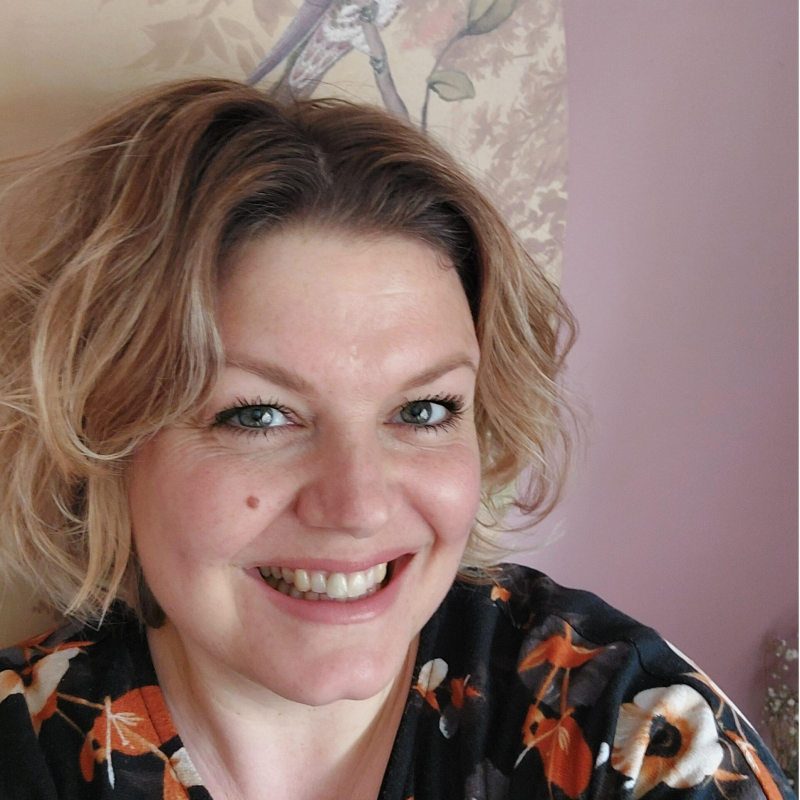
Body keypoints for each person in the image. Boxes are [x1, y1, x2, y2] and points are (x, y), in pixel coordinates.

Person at [0, 78, 792, 800]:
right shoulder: (26, 748)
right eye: (258, 415)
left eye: (421, 411)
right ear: (105, 436)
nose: (359, 505)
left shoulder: (616, 723)